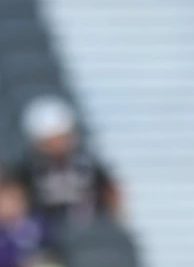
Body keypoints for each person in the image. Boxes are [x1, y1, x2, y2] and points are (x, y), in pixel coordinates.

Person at [15, 96, 119, 230]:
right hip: (46, 235)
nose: (59, 143)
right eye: (53, 139)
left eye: (62, 137)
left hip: (90, 230)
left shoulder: (89, 165)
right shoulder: (26, 170)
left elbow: (111, 196)